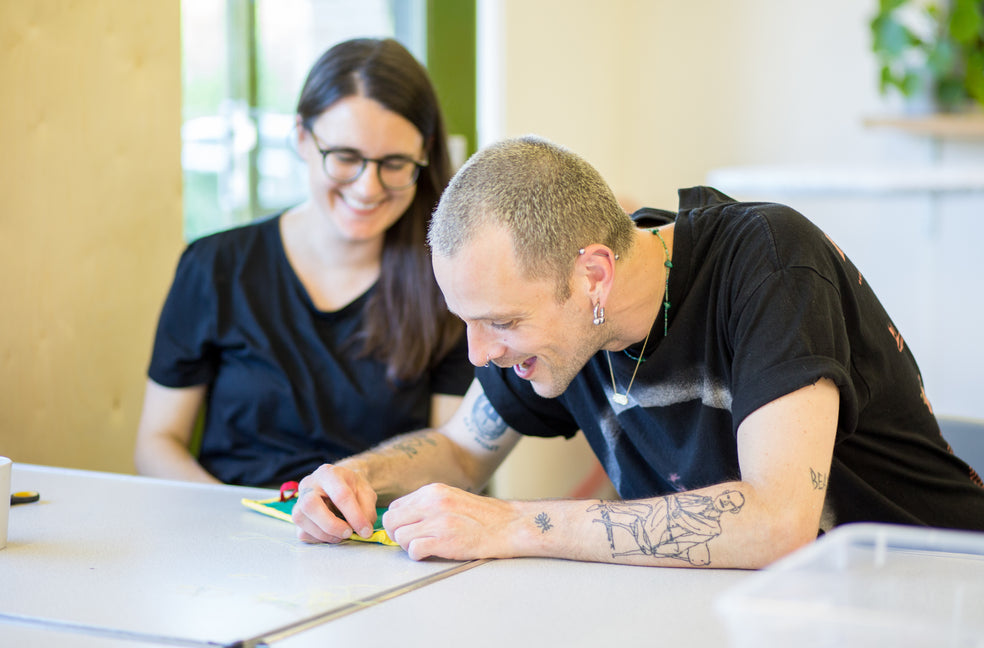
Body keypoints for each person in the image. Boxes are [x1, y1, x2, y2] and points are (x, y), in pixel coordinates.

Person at [290, 135, 984, 567]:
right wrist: (361, 475)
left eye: (500, 321)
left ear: (593, 275)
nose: (479, 352)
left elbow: (777, 522)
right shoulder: (564, 328)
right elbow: (463, 448)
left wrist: (516, 523)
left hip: (940, 598)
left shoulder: (770, 260)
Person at [134, 38, 472, 488]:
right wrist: (234, 524)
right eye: (346, 158)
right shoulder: (215, 266)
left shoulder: (447, 285)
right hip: (227, 535)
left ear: (424, 153)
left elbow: (455, 460)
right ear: (301, 137)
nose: (368, 188)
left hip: (376, 542)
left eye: (394, 163)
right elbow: (157, 442)